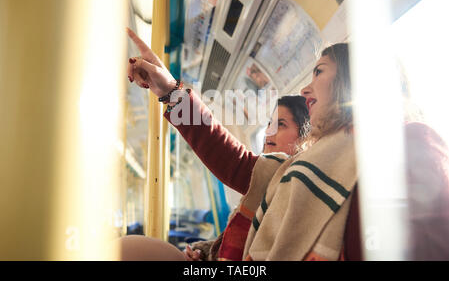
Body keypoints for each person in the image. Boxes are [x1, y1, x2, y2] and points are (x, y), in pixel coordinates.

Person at [123, 29, 449, 260]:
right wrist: (169, 91)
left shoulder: (410, 144)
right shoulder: (301, 166)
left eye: (319, 72)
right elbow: (234, 160)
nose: (306, 90)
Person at [184, 95, 310, 261]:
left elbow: (230, 157)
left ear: (305, 137)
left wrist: (174, 96)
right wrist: (205, 252)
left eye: (281, 124)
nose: (268, 132)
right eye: (269, 124)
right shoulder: (261, 189)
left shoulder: (292, 179)